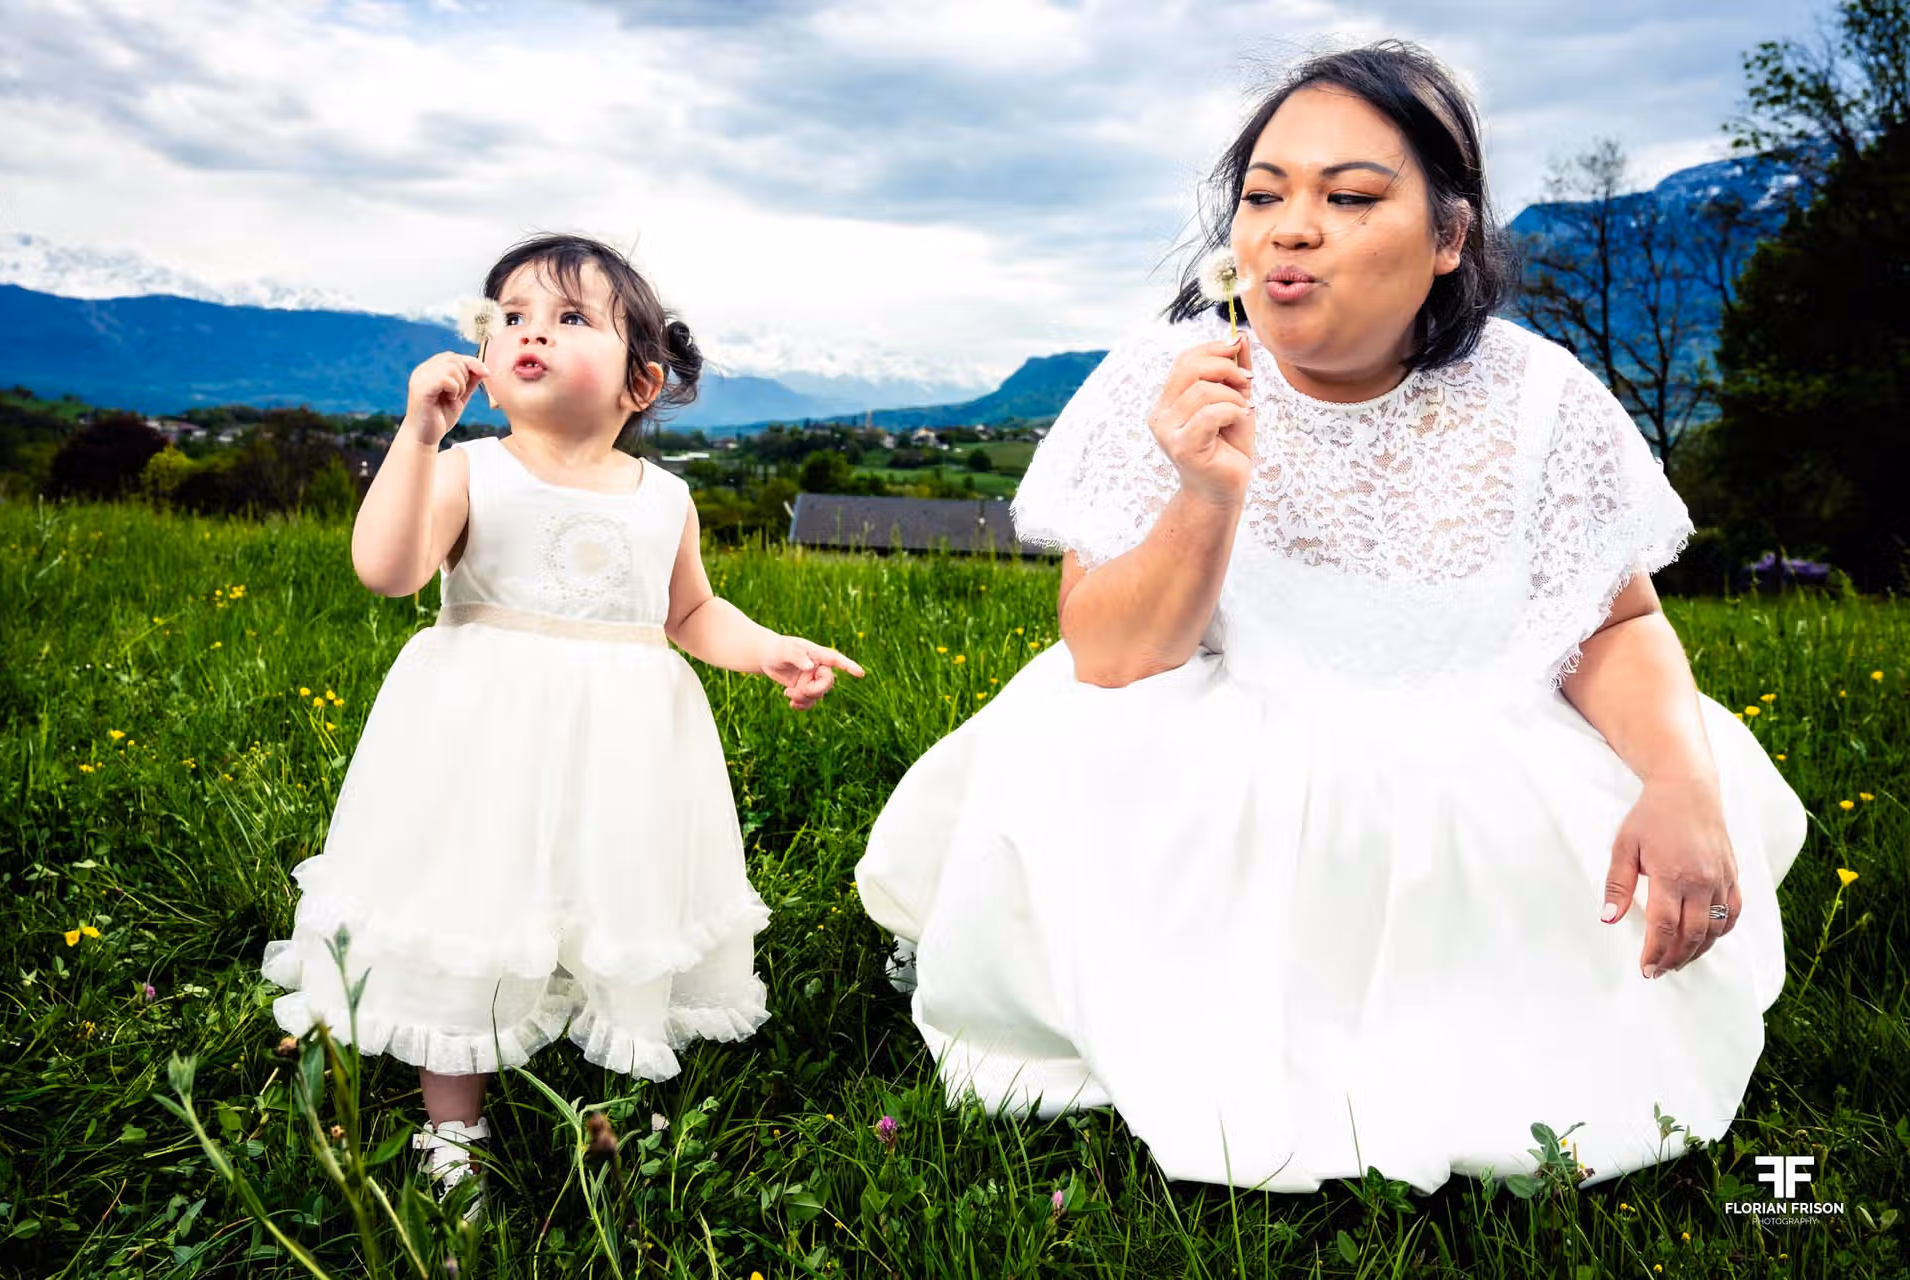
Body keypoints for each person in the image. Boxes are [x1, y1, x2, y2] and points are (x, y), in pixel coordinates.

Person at [855, 42, 1805, 1194]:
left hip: (1483, 757)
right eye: (1263, 196)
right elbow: (1108, 657)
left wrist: (1677, 779)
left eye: (1350, 197)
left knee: (1564, 987)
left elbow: (1611, 624)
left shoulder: (1543, 397)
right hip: (1220, 754)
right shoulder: (1168, 376)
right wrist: (1204, 495)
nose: (1289, 229)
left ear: (1449, 240)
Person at [262, 233, 863, 1214]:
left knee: (604, 893)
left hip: (621, 750)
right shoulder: (469, 469)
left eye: (571, 316)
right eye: (513, 316)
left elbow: (690, 612)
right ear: (489, 365)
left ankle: (599, 1071)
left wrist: (766, 647)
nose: (532, 328)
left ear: (640, 381)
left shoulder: (665, 496)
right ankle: (452, 1121)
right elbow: (389, 568)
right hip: (480, 740)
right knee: (472, 903)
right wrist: (416, 437)